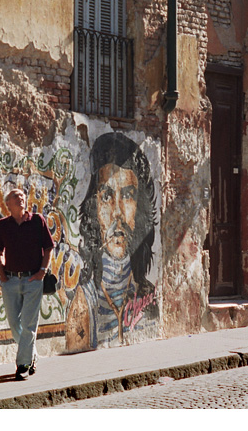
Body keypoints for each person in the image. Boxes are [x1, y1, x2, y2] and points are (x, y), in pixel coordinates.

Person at [76, 132, 158, 348]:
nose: (118, 213)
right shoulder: (84, 301)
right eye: (106, 196)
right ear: (93, 207)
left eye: (128, 196)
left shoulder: (147, 294)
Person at [0, 187, 55, 381]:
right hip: (10, 280)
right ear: (8, 204)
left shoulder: (37, 221)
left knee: (29, 324)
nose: (20, 199)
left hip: (32, 280)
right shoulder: (2, 225)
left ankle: (23, 365)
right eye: (15, 197)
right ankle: (31, 354)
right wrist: (2, 274)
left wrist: (42, 272)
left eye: (22, 196)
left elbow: (48, 248)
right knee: (14, 324)